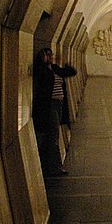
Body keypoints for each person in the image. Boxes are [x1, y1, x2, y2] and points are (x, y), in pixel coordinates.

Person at [33, 48, 77, 176]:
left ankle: (51, 165)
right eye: (49, 55)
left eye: (51, 55)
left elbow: (71, 72)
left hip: (59, 104)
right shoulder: (42, 70)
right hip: (49, 105)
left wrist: (63, 62)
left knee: (53, 134)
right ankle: (55, 167)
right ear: (43, 57)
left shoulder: (55, 68)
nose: (51, 57)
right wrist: (44, 63)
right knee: (53, 136)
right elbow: (41, 77)